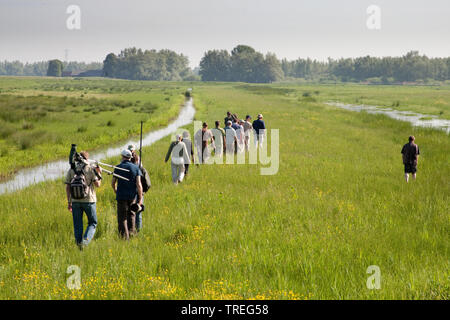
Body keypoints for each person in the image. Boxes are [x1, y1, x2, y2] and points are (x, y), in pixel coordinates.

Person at [65, 151, 102, 249]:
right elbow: (97, 184)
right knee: (93, 223)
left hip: (75, 201)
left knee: (77, 224)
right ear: (87, 159)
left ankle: (78, 245)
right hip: (89, 200)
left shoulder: (72, 169)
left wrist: (69, 202)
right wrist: (99, 173)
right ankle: (85, 243)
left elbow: (68, 187)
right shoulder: (90, 168)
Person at [111, 149, 143, 240]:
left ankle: (125, 238)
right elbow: (139, 184)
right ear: (130, 158)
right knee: (131, 215)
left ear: (122, 157)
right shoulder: (136, 168)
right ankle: (132, 233)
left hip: (121, 196)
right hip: (132, 196)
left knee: (122, 217)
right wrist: (140, 198)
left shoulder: (118, 167)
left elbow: (113, 183)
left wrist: (115, 190)